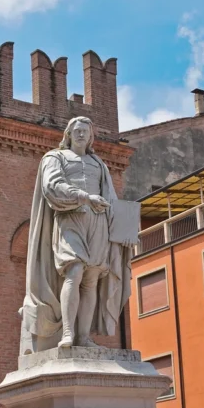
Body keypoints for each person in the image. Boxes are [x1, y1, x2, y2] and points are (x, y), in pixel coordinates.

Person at [19, 116, 136, 353]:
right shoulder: (55, 157)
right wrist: (83, 197)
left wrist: (127, 231)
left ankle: (83, 336)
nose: (82, 134)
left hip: (98, 222)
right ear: (68, 134)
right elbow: (52, 186)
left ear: (92, 136)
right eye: (77, 131)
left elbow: (111, 199)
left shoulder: (99, 164)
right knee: (74, 271)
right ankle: (68, 332)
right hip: (70, 218)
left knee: (92, 278)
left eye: (86, 131)